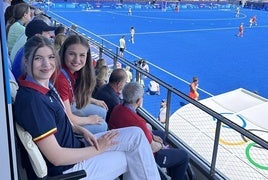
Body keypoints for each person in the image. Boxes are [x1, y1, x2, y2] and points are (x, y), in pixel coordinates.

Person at [14, 35, 161, 179]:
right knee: (129, 156)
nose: (47, 64)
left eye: (51, 57)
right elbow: (57, 157)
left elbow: (64, 120)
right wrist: (98, 149)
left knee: (136, 134)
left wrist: (83, 131)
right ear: (26, 62)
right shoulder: (33, 102)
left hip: (76, 145)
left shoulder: (43, 86)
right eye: (38, 58)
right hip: (69, 168)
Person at [109, 82, 189, 180]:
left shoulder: (117, 108)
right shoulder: (138, 122)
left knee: (160, 134)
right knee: (184, 156)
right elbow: (152, 148)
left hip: (123, 147)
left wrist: (151, 135)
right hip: (143, 156)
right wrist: (160, 145)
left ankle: (165, 167)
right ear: (138, 101)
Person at [54, 35, 108, 134]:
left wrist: (93, 100)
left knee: (102, 111)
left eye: (82, 55)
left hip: (67, 107)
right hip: (61, 122)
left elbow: (71, 94)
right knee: (102, 126)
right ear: (64, 53)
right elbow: (68, 117)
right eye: (72, 54)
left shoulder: (72, 72)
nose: (77, 60)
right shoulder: (61, 78)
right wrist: (89, 120)